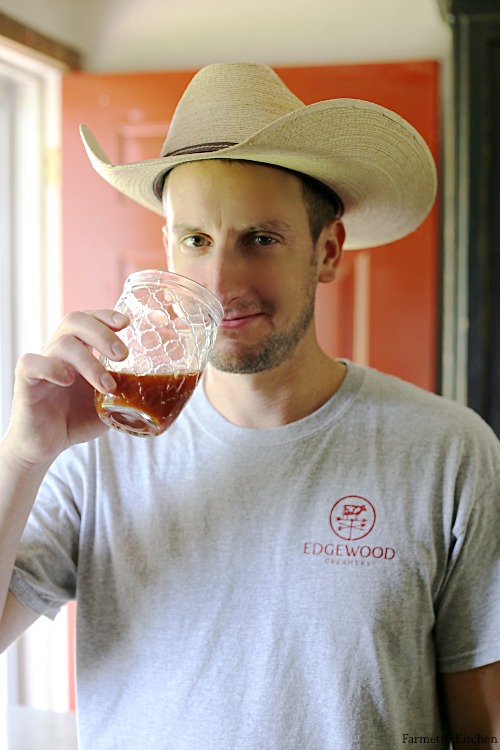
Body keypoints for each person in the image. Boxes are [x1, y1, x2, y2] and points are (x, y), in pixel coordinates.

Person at [0, 63, 499, 750]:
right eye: (195, 240)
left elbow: (486, 731)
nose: (221, 282)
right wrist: (24, 454)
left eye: (260, 240)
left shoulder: (449, 452)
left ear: (327, 252)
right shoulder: (92, 448)